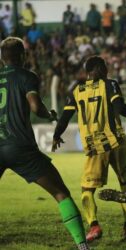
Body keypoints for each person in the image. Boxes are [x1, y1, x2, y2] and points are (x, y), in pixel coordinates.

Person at [0, 37, 89, 250]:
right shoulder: (26, 76)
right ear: (23, 56)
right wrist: (49, 114)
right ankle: (83, 246)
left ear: (2, 57)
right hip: (20, 147)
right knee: (60, 193)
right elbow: (35, 107)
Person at [52, 56, 126, 242]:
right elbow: (119, 107)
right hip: (117, 141)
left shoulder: (77, 91)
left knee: (87, 189)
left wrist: (56, 135)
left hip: (96, 145)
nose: (107, 70)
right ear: (97, 69)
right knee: (125, 183)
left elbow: (65, 117)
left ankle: (94, 226)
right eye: (104, 67)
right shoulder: (109, 84)